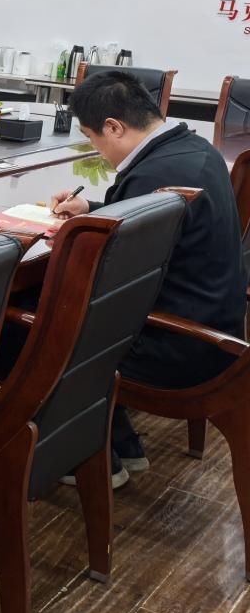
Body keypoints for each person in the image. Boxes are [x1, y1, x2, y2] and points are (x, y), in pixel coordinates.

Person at [49, 70, 246, 478]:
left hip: (177, 347)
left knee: (39, 318)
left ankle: (91, 459)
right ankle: (122, 443)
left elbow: (108, 278)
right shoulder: (192, 150)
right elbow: (152, 221)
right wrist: (93, 209)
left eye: (92, 138)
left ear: (113, 127)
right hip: (215, 325)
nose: (97, 150)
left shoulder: (151, 176)